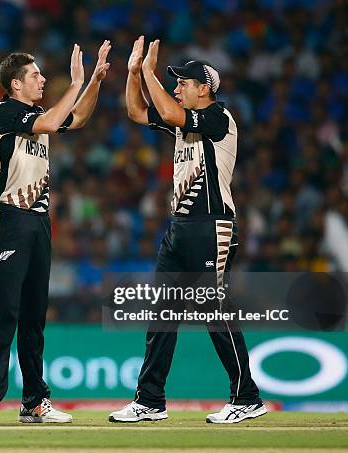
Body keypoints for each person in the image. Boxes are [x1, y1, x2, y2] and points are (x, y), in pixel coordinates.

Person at [109, 36, 267, 424]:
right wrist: (133, 74)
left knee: (214, 310)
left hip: (212, 225)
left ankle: (246, 396)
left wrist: (149, 71)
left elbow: (169, 111)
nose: (177, 87)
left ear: (204, 89)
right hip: (181, 226)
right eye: (174, 82)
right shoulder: (184, 122)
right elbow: (135, 111)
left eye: (182, 83)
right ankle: (149, 401)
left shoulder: (218, 118)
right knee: (162, 313)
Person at [0, 42, 111, 424]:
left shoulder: (33, 113)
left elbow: (76, 118)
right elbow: (51, 122)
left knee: (34, 316)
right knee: (3, 311)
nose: (42, 79)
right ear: (15, 85)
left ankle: (33, 401)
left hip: (38, 220)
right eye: (35, 75)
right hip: (10, 217)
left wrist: (94, 81)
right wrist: (76, 81)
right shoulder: (5, 111)